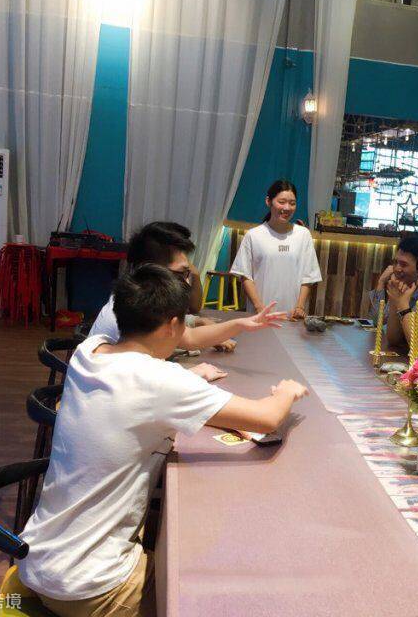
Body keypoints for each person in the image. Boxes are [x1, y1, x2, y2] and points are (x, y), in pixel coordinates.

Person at [19, 265, 309, 615]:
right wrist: (287, 392)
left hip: (37, 558)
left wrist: (194, 388)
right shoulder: (161, 381)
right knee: (212, 592)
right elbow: (266, 417)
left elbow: (143, 400)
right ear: (172, 325)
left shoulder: (89, 351)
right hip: (91, 587)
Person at [91, 222, 283, 365]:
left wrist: (240, 324)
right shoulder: (129, 313)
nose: (186, 282)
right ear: (151, 269)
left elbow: (189, 338)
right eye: (181, 274)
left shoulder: (136, 301)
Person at [231, 180, 322, 319]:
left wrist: (300, 307)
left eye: (292, 203)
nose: (287, 208)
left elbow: (308, 276)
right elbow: (245, 276)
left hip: (292, 316)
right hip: (260, 316)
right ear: (268, 201)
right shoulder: (254, 235)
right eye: (282, 202)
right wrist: (259, 307)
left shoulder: (303, 235)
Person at [368, 234, 418, 322]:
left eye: (403, 264)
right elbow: (377, 321)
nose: (397, 269)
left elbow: (410, 328)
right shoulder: (400, 286)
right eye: (395, 262)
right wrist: (381, 282)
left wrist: (400, 301)